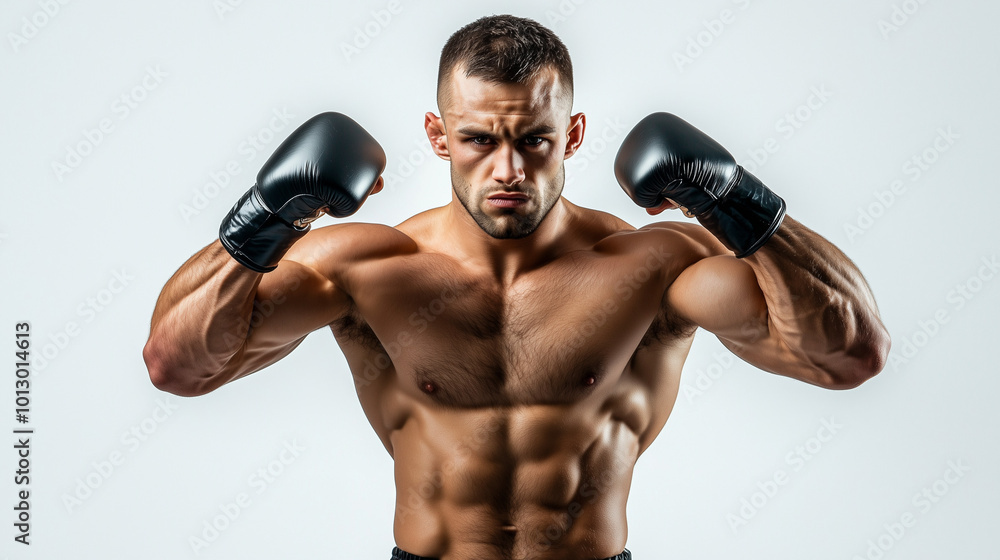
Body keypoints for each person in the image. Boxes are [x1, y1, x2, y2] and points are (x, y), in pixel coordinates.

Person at [142, 14, 890, 560]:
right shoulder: (367, 267)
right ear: (440, 137)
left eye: (534, 139)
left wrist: (740, 203)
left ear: (571, 134)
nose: (507, 170)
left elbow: (846, 355)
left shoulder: (653, 265)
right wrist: (261, 220)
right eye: (478, 140)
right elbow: (177, 366)